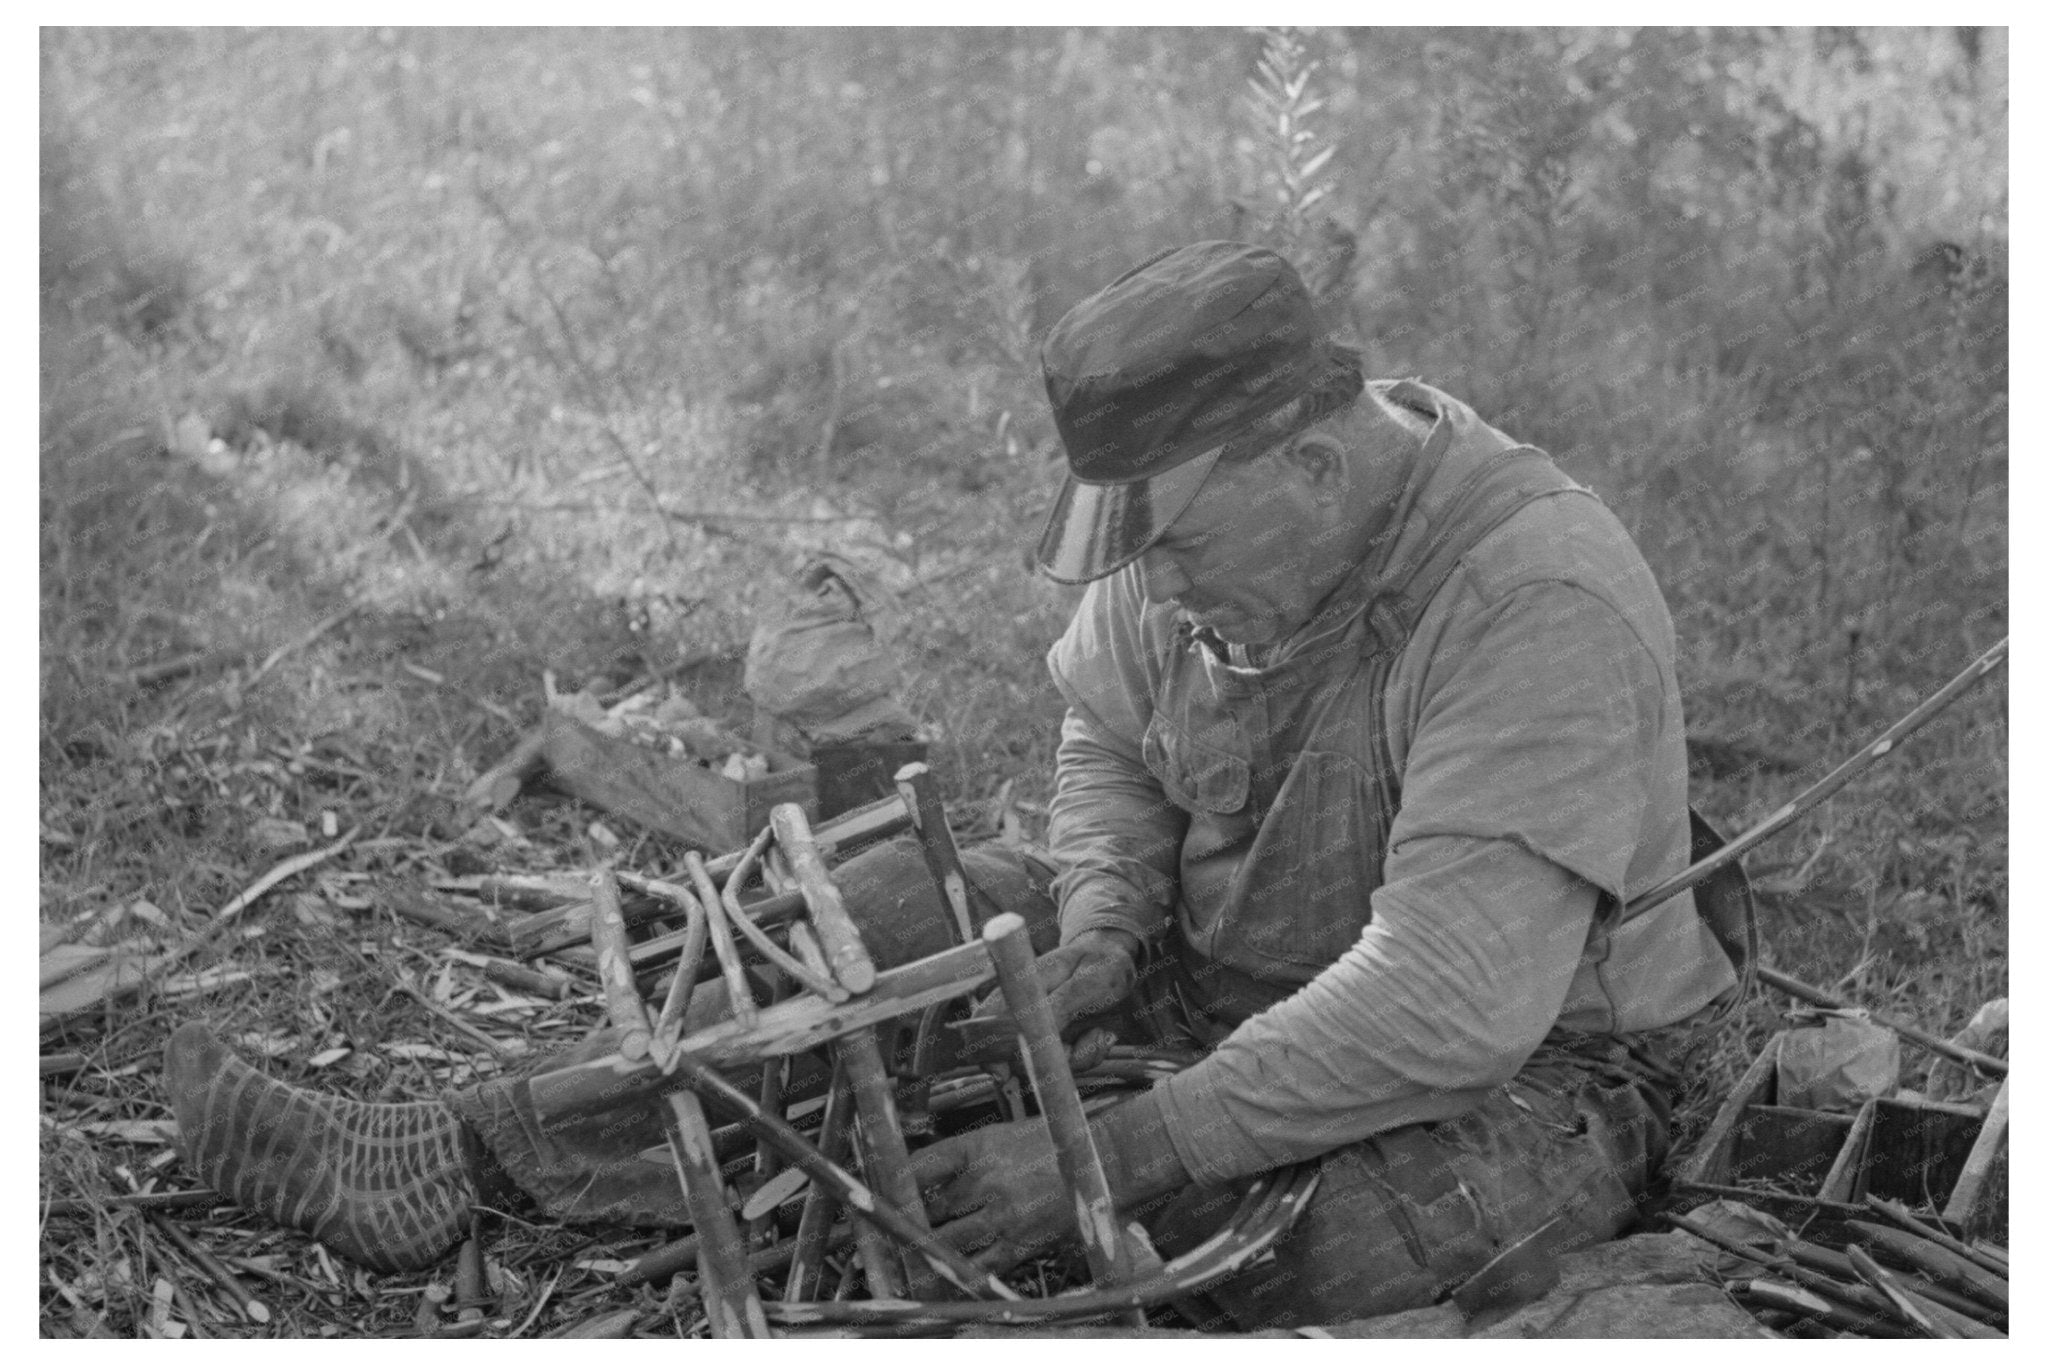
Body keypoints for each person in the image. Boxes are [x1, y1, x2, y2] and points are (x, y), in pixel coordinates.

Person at [166, 240, 1748, 1327]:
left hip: (1540, 1067)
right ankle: (458, 1149)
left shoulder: (1533, 597)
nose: (1164, 587)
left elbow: (1447, 1003)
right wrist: (1114, 921)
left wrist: (1114, 1151)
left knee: (1288, 1249)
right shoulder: (1213, 538)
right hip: (1216, 972)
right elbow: (1107, 731)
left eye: (1179, 547)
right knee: (880, 911)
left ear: (1316, 470)